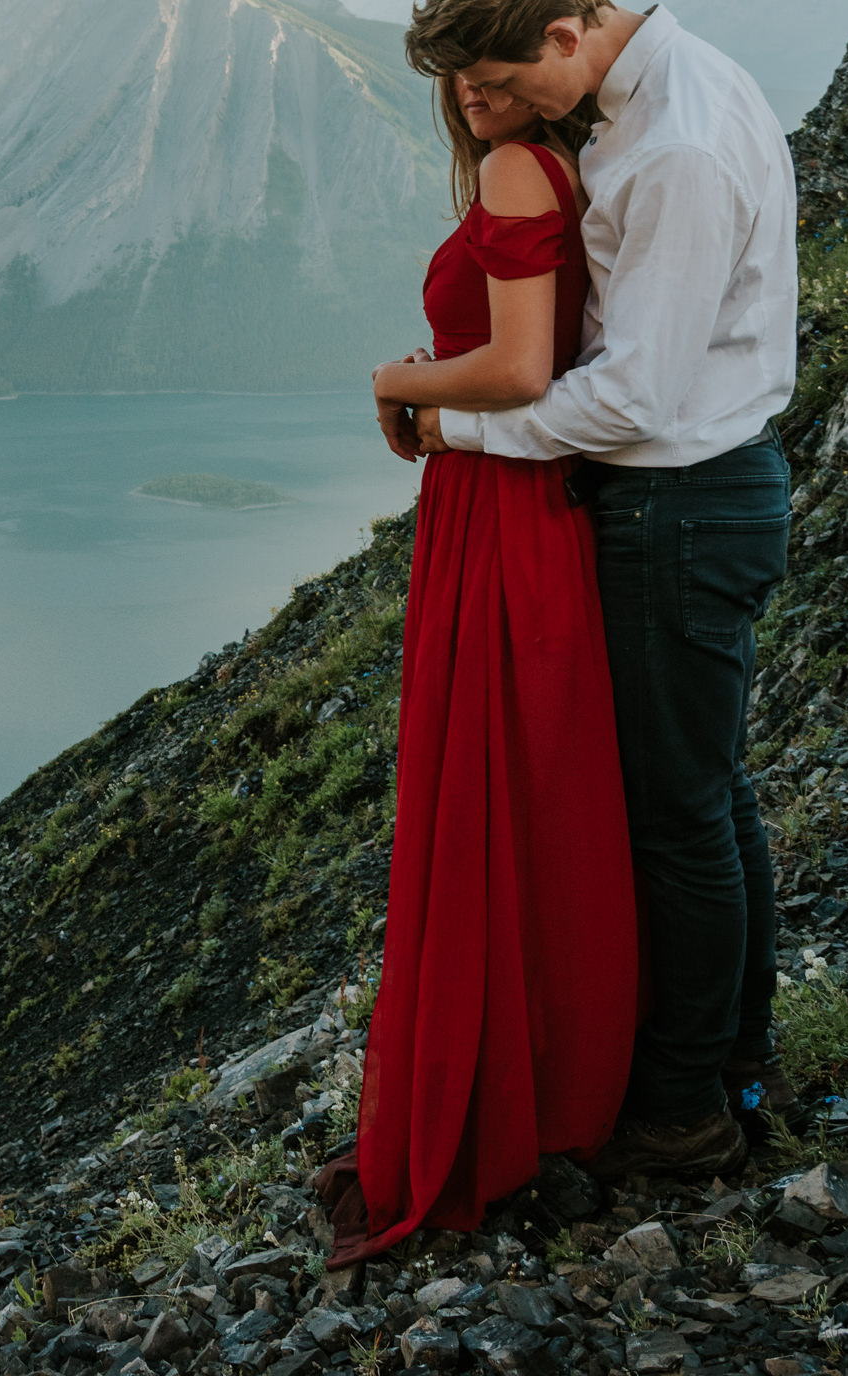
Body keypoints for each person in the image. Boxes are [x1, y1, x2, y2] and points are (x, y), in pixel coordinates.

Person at [402, 0, 799, 1184]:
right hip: (705, 494)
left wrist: (452, 419)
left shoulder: (673, 145)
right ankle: (726, 1065)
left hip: (678, 502)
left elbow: (632, 396)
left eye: (503, 83)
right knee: (709, 797)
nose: (487, 115)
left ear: (567, 33)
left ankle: (681, 1109)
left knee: (673, 819)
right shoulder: (659, 99)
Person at [314, 67, 638, 1266]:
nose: (466, 88)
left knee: (481, 790)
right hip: (513, 499)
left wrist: (398, 382)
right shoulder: (558, 163)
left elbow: (517, 369)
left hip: (491, 502)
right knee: (533, 792)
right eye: (449, 67)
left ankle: (481, 1103)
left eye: (483, 58)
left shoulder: (513, 166)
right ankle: (554, 1084)